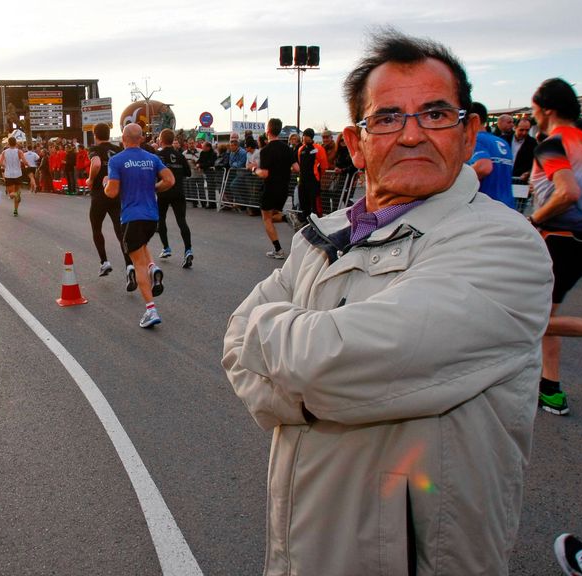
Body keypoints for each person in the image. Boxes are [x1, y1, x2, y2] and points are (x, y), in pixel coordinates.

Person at [222, 30, 553, 574]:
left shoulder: (506, 244)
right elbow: (234, 343)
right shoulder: (322, 234)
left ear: (469, 133)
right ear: (357, 143)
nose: (413, 135)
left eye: (436, 114)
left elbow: (333, 357)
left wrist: (298, 384)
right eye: (388, 118)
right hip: (300, 549)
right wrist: (317, 387)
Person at [527, 77, 582, 416]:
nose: (533, 118)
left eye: (533, 111)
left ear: (546, 110)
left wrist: (534, 220)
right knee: (545, 314)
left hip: (558, 240)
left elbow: (568, 192)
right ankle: (550, 388)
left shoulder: (551, 144)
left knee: (533, 318)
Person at [104, 123, 175, 328]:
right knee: (141, 248)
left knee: (138, 264)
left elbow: (111, 192)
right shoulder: (152, 158)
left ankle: (151, 310)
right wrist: (154, 186)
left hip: (131, 216)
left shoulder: (117, 160)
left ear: (123, 139)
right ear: (141, 139)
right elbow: (169, 180)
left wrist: (105, 182)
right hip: (152, 217)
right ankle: (153, 268)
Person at [85, 123, 130, 278]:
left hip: (99, 194)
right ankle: (129, 264)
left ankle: (104, 262)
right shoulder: (117, 149)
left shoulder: (94, 149)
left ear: (95, 135)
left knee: (96, 228)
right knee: (120, 231)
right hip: (116, 193)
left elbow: (96, 163)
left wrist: (90, 179)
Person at [154, 129, 194, 267]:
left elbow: (153, 173)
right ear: (172, 140)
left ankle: (166, 248)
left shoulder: (158, 155)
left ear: (161, 139)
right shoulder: (179, 155)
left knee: (161, 219)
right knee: (182, 221)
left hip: (163, 191)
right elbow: (188, 173)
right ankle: (188, 250)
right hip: (178, 191)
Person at [255, 118, 291, 259]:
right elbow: (296, 167)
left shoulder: (266, 150)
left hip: (270, 188)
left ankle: (278, 250)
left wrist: (254, 169)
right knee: (273, 215)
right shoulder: (287, 148)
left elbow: (264, 174)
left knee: (266, 219)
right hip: (284, 188)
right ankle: (287, 217)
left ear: (268, 131)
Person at [469, 102, 515, 208]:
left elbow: (484, 167)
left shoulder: (475, 139)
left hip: (485, 207)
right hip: (507, 205)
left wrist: (459, 180)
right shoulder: (502, 142)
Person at [294, 127, 326, 221]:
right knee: (303, 201)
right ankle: (305, 220)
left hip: (313, 180)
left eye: (307, 136)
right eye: (304, 135)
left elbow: (324, 165)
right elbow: (300, 163)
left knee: (314, 203)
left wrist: (319, 176)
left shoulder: (318, 148)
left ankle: (316, 221)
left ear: (311, 137)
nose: (305, 138)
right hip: (302, 179)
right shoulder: (301, 149)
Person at [0, 137, 26, 216]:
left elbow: (0, 163)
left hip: (8, 174)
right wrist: (27, 164)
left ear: (8, 143)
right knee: (17, 192)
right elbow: (24, 161)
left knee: (11, 194)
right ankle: (15, 210)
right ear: (16, 143)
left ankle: (15, 206)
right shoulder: (19, 151)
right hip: (18, 174)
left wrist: (5, 165)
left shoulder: (4, 152)